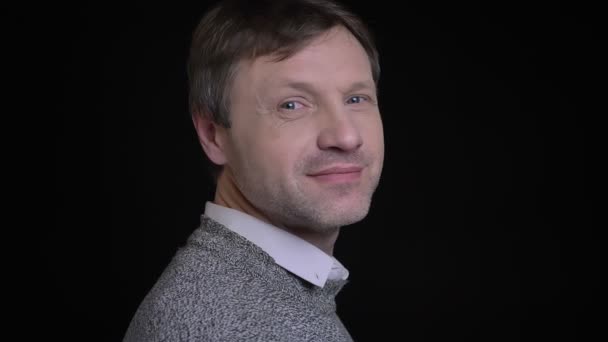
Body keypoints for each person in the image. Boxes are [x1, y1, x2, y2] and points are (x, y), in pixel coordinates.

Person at [123, 0, 384, 340]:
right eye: (291, 105)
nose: (346, 136)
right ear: (213, 135)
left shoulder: (246, 294)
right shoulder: (232, 324)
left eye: (356, 98)